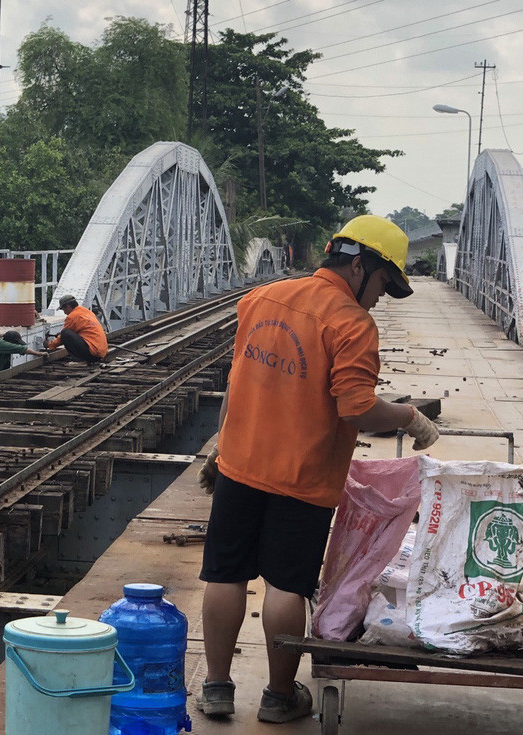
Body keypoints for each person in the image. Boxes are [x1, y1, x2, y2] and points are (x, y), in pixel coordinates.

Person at [195, 215, 440, 724]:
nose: (378, 298)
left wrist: (220, 450)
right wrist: (408, 416)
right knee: (285, 585)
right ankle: (278, 698)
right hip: (302, 479)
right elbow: (357, 410)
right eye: (381, 285)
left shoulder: (260, 300)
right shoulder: (352, 325)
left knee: (225, 574)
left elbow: (237, 384)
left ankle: (216, 689)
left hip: (239, 465)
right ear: (358, 265)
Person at [45, 294, 108, 364]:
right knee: (65, 334)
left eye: (63, 310)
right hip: (101, 352)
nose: (65, 313)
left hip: (92, 354)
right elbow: (82, 331)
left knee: (65, 333)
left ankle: (79, 361)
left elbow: (63, 336)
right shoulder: (86, 311)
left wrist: (50, 345)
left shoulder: (72, 316)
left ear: (68, 307)